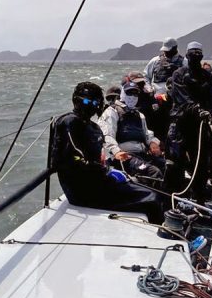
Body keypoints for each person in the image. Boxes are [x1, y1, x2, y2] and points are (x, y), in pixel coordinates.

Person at [50, 81, 163, 223]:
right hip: (82, 190)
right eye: (86, 101)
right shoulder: (69, 122)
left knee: (151, 187)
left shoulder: (94, 127)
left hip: (99, 182)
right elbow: (72, 161)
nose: (90, 105)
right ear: (76, 100)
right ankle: (168, 235)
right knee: (151, 199)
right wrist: (105, 171)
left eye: (95, 102)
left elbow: (97, 159)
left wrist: (107, 171)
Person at [164, 42, 212, 204]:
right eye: (192, 53)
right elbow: (182, 97)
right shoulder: (178, 74)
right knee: (174, 164)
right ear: (187, 55)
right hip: (180, 124)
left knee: (202, 165)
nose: (195, 56)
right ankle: (169, 200)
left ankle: (199, 201)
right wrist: (198, 110)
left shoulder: (208, 77)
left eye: (198, 53)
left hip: (199, 126)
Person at [98, 81, 166, 183]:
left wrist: (153, 142)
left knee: (169, 167)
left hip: (142, 154)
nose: (132, 97)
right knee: (153, 172)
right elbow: (107, 135)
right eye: (129, 93)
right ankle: (156, 198)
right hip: (124, 156)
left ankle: (175, 196)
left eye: (135, 94)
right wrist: (116, 151)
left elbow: (147, 134)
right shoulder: (112, 112)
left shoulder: (140, 115)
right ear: (123, 94)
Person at [143, 37, 182, 141]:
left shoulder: (184, 62)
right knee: (157, 126)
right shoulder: (155, 61)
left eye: (169, 50)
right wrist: (149, 88)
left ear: (175, 48)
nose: (166, 52)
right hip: (158, 101)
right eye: (165, 50)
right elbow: (146, 77)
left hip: (176, 102)